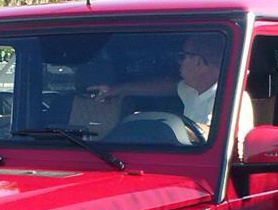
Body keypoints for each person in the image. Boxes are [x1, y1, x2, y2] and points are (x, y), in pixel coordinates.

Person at [86, 33, 225, 138]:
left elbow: (214, 134)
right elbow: (166, 86)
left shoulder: (231, 100)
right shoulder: (191, 90)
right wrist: (120, 89)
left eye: (182, 56)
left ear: (199, 62)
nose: (179, 62)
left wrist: (157, 125)